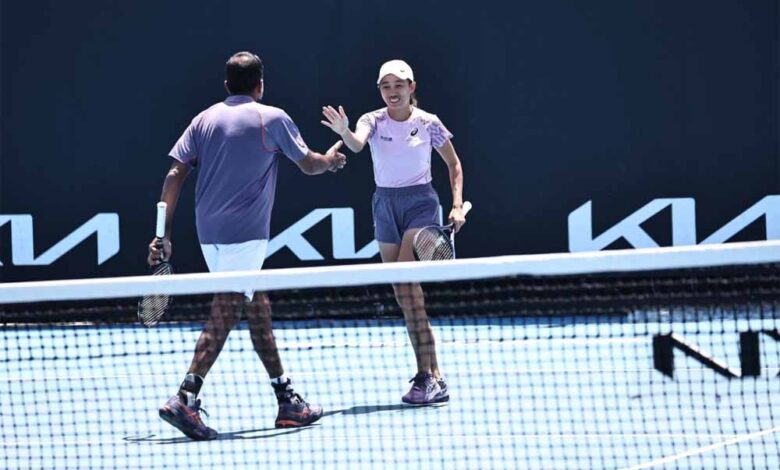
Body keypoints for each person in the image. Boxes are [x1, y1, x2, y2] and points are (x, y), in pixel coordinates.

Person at [149, 51, 346, 440]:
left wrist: (163, 234)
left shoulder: (204, 119)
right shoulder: (271, 118)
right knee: (225, 312)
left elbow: (175, 173)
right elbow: (309, 164)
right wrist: (330, 160)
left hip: (209, 236)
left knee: (257, 307)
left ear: (227, 85)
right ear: (260, 85)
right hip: (246, 236)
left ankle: (287, 399)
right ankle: (185, 397)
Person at [321, 59, 466, 405]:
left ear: (411, 87)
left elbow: (454, 164)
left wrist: (457, 204)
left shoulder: (428, 123)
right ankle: (436, 376)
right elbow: (356, 144)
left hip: (420, 204)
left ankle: (425, 376)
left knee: (405, 285)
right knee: (406, 295)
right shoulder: (372, 120)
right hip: (384, 205)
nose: (392, 91)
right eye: (385, 86)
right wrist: (344, 131)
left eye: (398, 85)